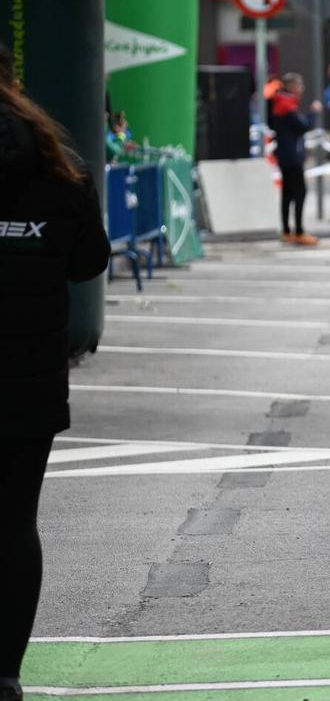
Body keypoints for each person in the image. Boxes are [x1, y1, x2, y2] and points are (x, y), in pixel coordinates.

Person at [0, 43, 111, 700]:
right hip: (30, 378)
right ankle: (6, 673)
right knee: (14, 522)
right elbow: (87, 263)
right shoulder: (61, 171)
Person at [269, 72, 322, 245]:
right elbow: (304, 126)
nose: (302, 89)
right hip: (292, 156)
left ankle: (286, 230)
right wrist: (314, 113)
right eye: (300, 85)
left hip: (285, 155)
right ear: (292, 86)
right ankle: (298, 231)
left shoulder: (280, 103)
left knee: (287, 193)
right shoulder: (287, 105)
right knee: (299, 192)